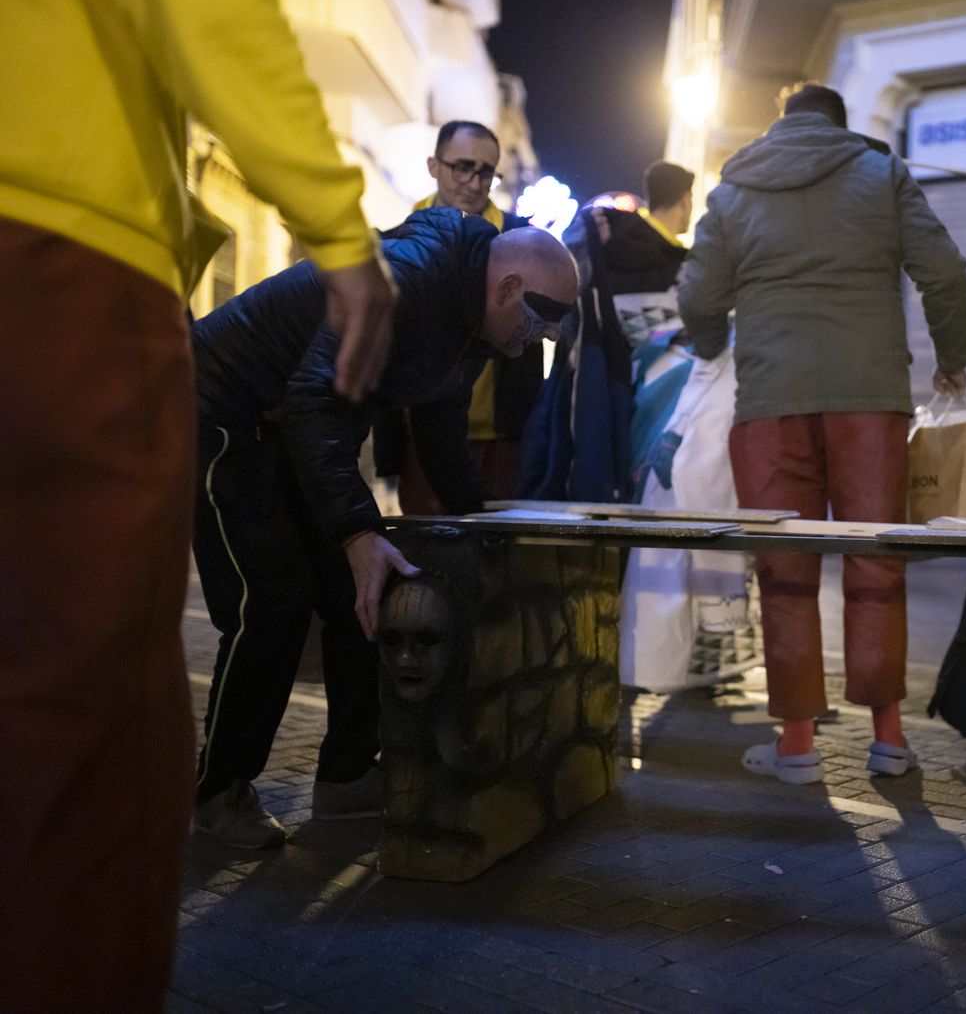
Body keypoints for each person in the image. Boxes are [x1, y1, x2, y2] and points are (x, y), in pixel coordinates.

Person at [0, 0, 394, 1008]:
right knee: (87, 712)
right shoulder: (434, 273)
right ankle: (214, 793)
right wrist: (339, 233)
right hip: (58, 243)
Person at [190, 210, 577, 850]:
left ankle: (345, 780)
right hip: (221, 414)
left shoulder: (475, 323)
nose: (534, 339)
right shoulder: (411, 280)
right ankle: (220, 790)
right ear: (508, 289)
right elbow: (316, 396)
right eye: (537, 324)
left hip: (292, 427)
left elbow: (439, 427)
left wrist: (486, 518)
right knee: (272, 601)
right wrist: (355, 533)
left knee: (359, 594)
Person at [679, 84, 966, 783]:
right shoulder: (881, 173)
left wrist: (714, 344)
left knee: (784, 569)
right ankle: (889, 736)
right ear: (841, 125)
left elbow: (697, 294)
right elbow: (945, 270)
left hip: (769, 402)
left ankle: (798, 744)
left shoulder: (734, 191)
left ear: (782, 123)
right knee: (876, 559)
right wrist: (951, 358)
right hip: (870, 398)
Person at [374, 120, 542, 509]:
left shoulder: (522, 243)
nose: (474, 181)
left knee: (494, 555)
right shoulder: (395, 242)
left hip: (500, 435)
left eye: (486, 171)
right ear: (434, 166)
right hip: (418, 431)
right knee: (427, 553)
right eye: (462, 166)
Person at [520, 161, 695, 500]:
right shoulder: (680, 267)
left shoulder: (605, 248)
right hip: (661, 408)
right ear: (686, 200)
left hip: (601, 396)